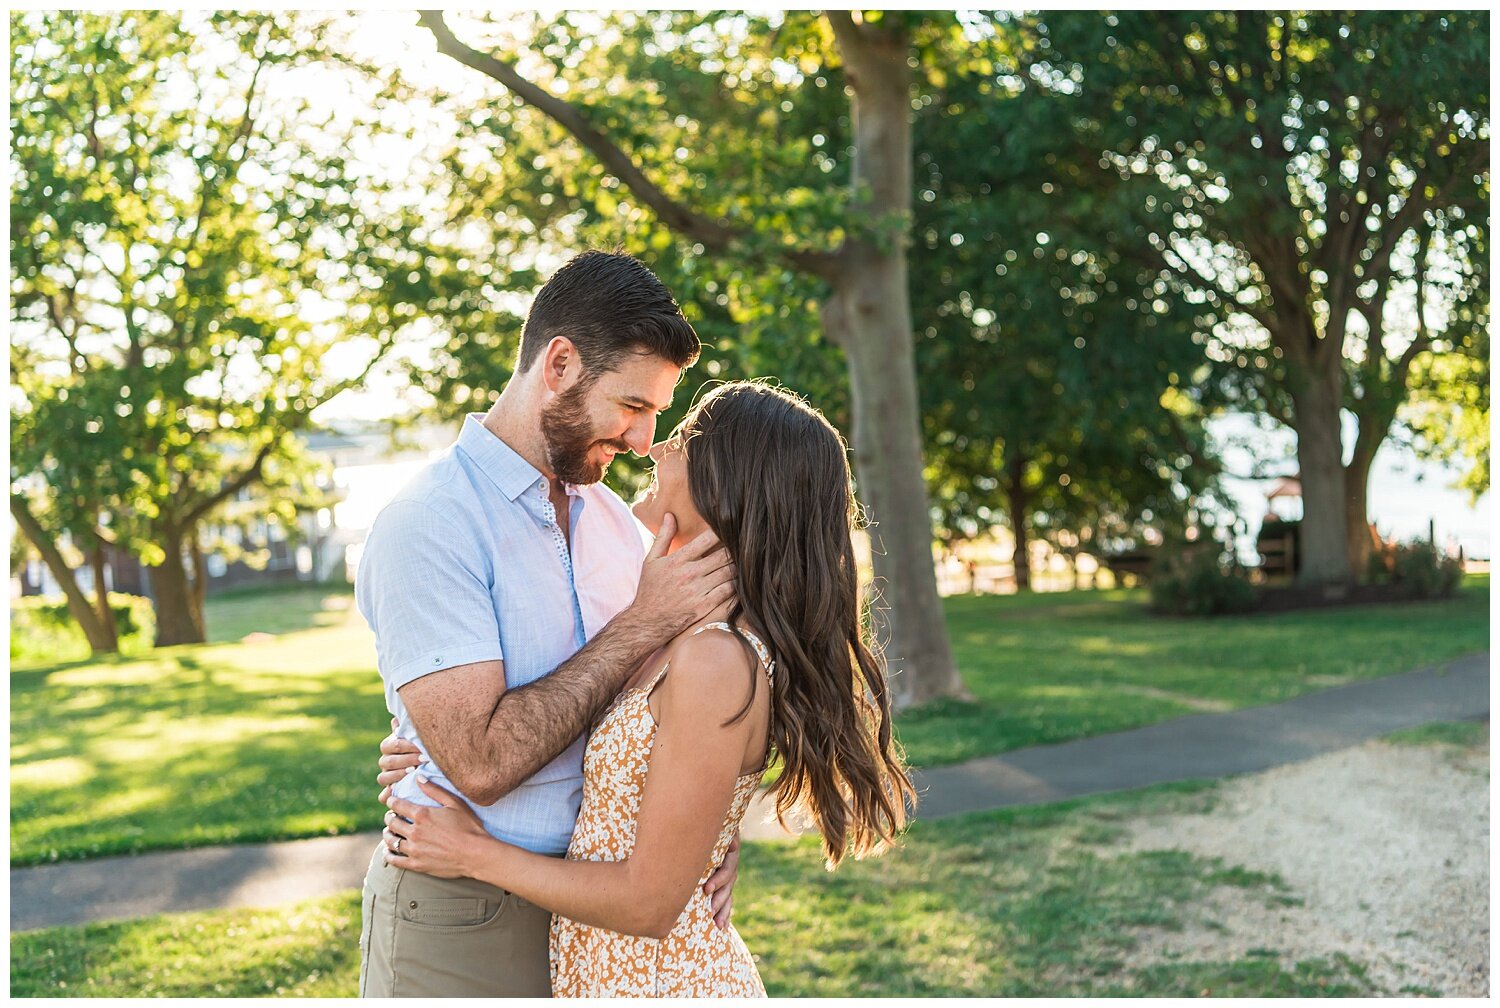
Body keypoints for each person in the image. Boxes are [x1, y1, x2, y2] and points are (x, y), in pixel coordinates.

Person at [378, 381, 917, 997]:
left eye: (682, 439)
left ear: (730, 487)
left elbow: (648, 905)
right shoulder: (679, 626)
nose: (656, 449)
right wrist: (434, 738)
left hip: (660, 982)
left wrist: (472, 853)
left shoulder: (716, 659)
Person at [353, 250, 744, 998]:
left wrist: (707, 833)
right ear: (559, 364)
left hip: (600, 910)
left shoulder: (614, 522)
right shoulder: (430, 525)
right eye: (633, 406)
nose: (641, 439)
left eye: (655, 414)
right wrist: (641, 623)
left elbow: (667, 706)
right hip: (464, 911)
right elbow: (483, 766)